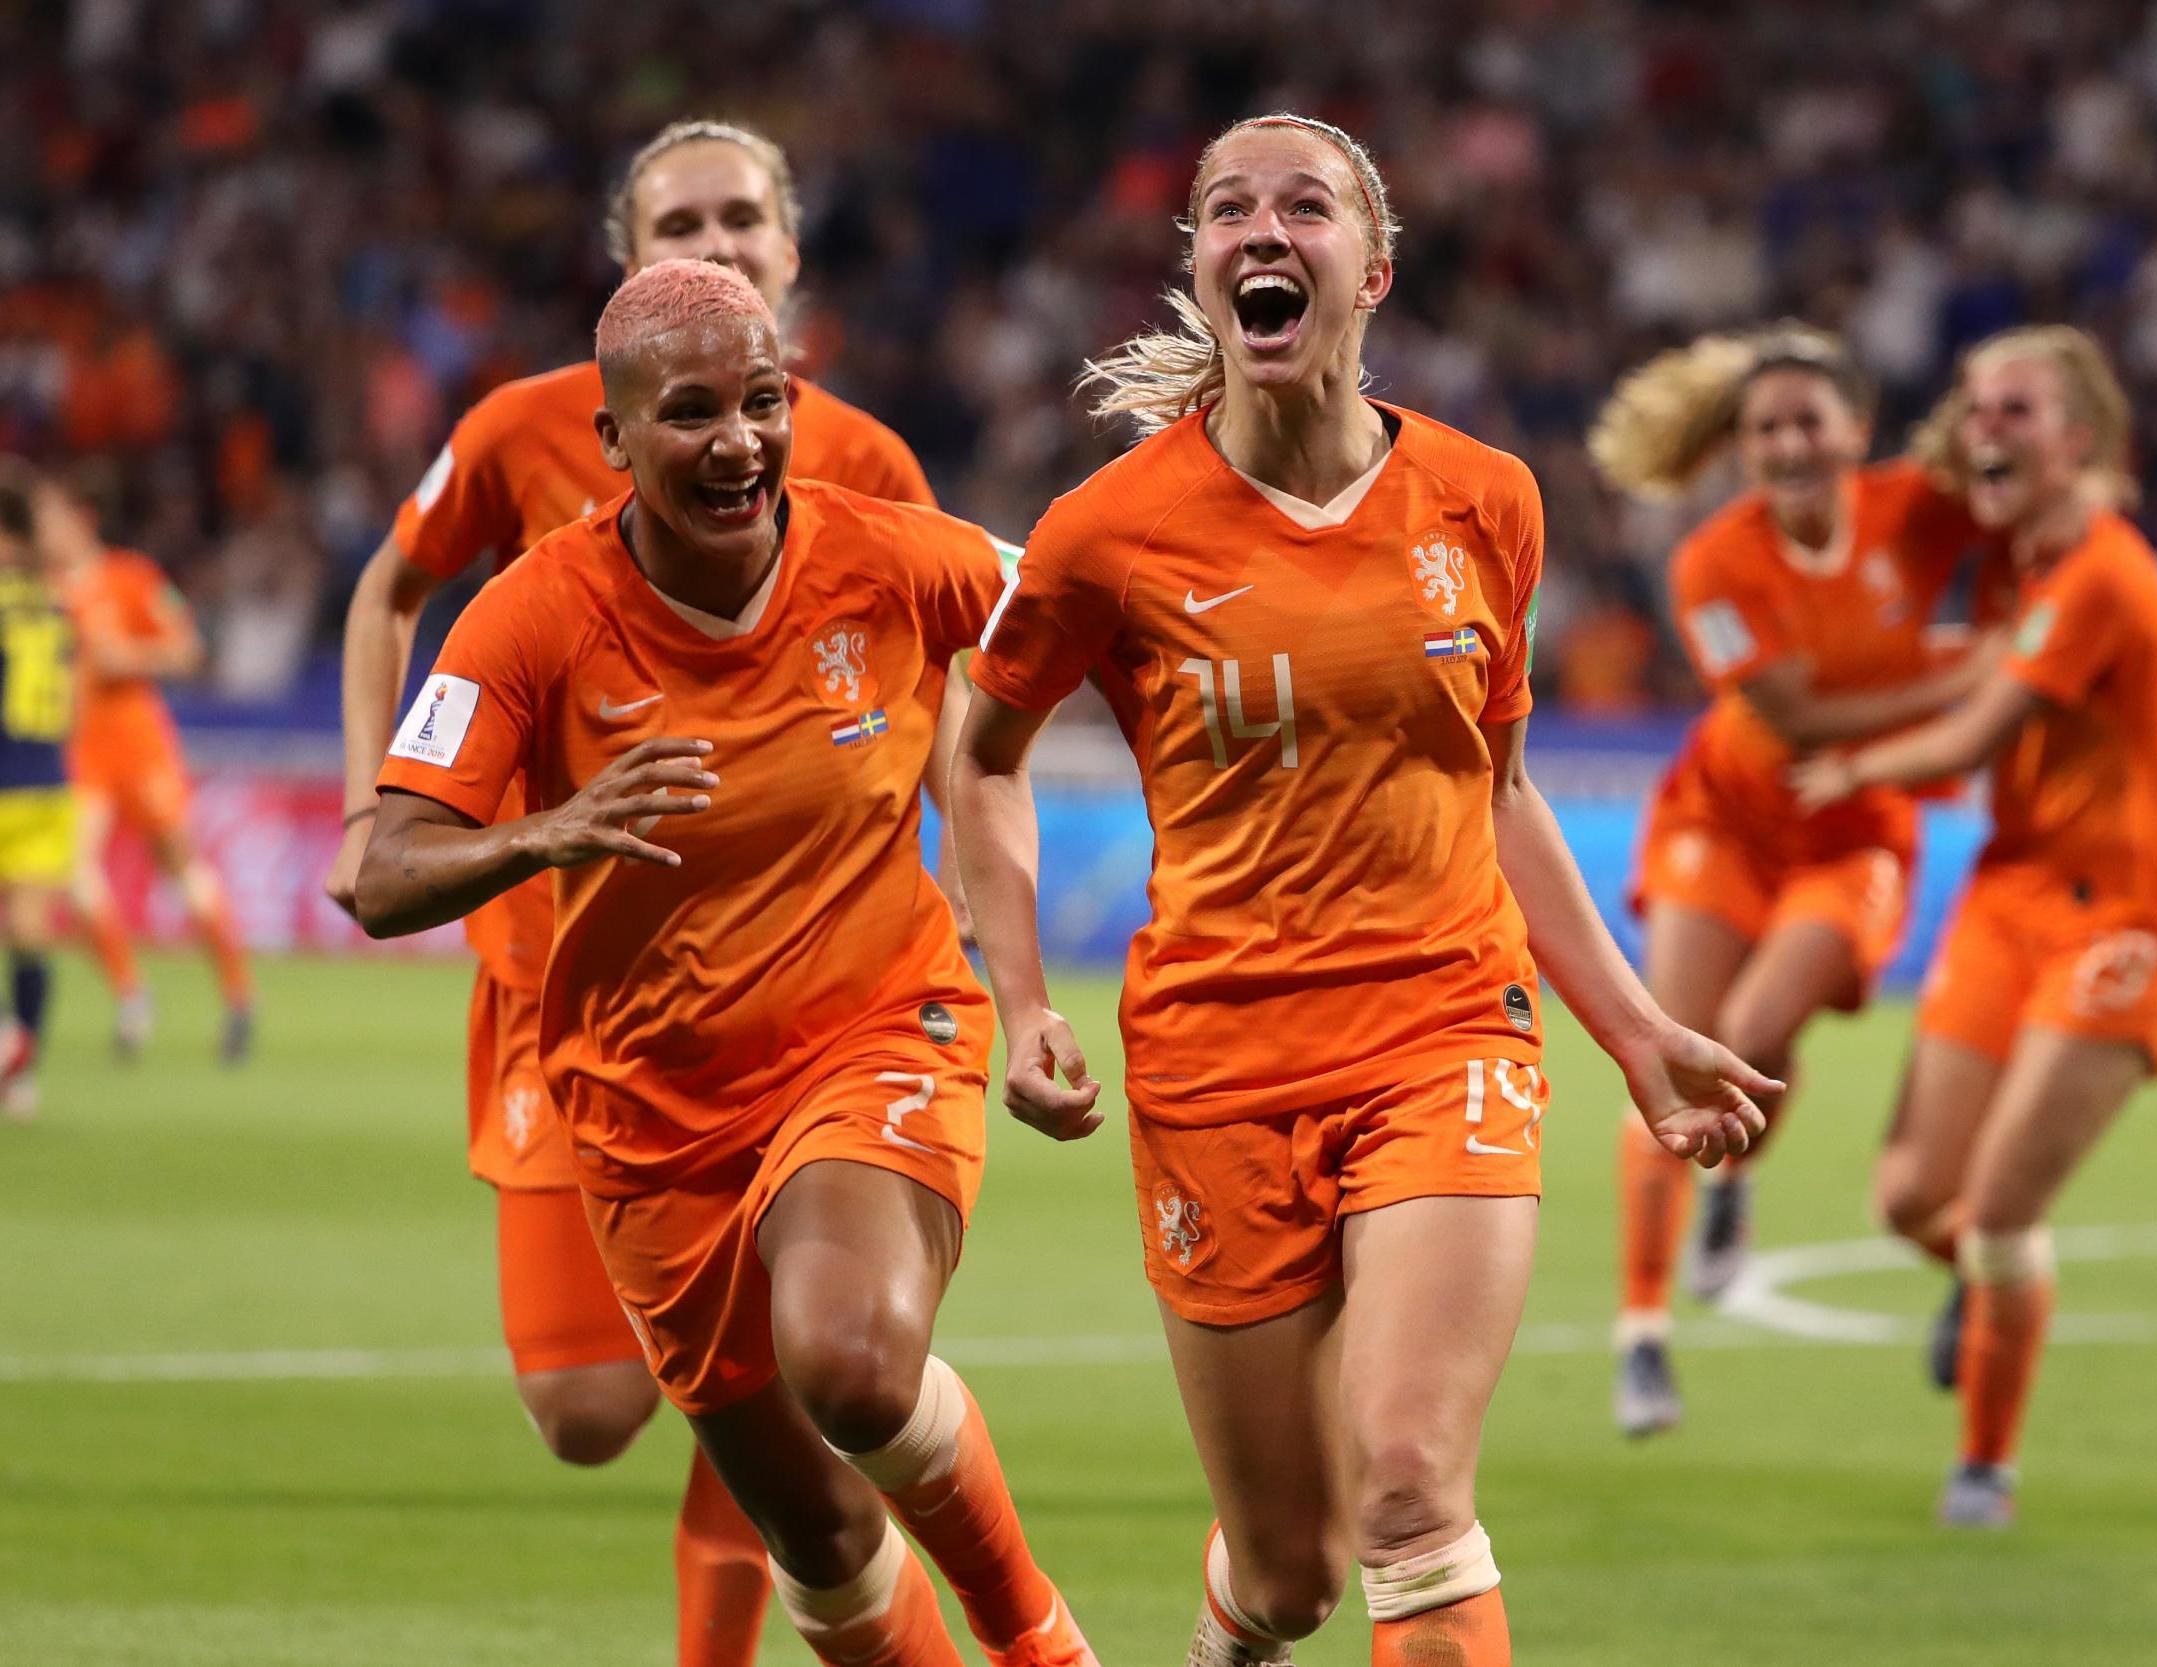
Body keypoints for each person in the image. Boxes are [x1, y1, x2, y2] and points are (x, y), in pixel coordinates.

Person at [950, 114, 1772, 1666]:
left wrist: (1639, 1029)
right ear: (1198, 270)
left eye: (1304, 208)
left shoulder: (1486, 503)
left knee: (1408, 1489)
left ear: (1370, 269)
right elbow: (980, 756)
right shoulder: (1105, 535)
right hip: (1213, 1063)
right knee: (1290, 1572)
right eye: (1225, 212)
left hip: (1442, 1030)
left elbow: (1501, 791)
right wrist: (1017, 1001)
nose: (1263, 232)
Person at [356, 260, 1092, 1667]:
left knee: (856, 1360)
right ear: (613, 443)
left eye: (765, 401)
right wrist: (549, 828)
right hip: (645, 1108)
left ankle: (1040, 1643)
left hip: (869, 1030)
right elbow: (387, 869)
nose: (738, 439)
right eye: (690, 412)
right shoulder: (528, 615)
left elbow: (1091, 603)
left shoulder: (890, 552)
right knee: (812, 1530)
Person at [1792, 326, 2157, 1527]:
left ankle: (1983, 1463)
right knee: (1909, 1200)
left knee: (1993, 1211)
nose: (1985, 425)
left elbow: (1969, 735)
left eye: (2016, 408)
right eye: (1976, 404)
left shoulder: (2092, 567)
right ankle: (1994, 1292)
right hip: (2013, 891)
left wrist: (1839, 765)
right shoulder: (2023, 555)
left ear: (2078, 439)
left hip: (2129, 913)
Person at [1585, 325, 1997, 1435]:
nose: (1786, 442)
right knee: (1672, 1051)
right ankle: (1641, 1335)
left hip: (1855, 832)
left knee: (1757, 1033)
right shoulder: (1711, 563)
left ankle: (1730, 1181)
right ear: (1741, 446)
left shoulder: (1916, 509)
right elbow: (1797, 718)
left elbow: (2033, 524)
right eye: (1765, 426)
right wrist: (1959, 671)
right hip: (1719, 817)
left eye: (1808, 420)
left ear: (1856, 430)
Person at [41, 478, 255, 1061]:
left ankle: (238, 996)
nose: (45, 530)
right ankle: (131, 995)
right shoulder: (42, 589)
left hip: (140, 748)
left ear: (84, 518)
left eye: (53, 517)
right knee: (73, 872)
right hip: (80, 753)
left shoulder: (132, 576)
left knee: (182, 872)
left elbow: (188, 649)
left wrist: (128, 657)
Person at [0, 464, 79, 1123]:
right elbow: (73, 705)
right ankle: (19, 1071)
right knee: (29, 935)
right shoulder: (56, 604)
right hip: (48, 782)